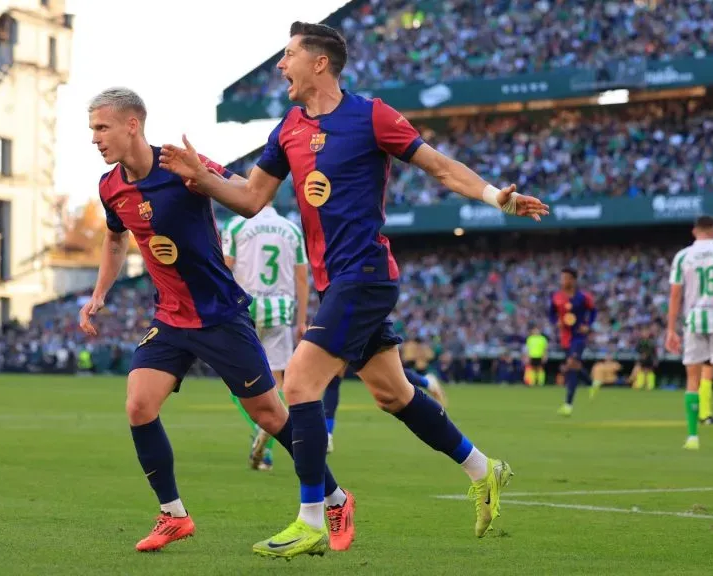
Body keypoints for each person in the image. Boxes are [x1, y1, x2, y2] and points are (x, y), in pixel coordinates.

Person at [159, 22, 548, 557]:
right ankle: (484, 469)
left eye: (289, 54)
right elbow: (250, 198)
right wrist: (200, 177)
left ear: (319, 63)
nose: (280, 65)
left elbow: (438, 167)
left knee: (297, 384)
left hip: (364, 275)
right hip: (333, 283)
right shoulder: (288, 128)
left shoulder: (372, 115)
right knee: (394, 394)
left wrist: (493, 197)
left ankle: (312, 517)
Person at [80, 87, 350, 553]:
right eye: (91, 130)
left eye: (102, 128)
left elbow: (247, 193)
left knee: (269, 415)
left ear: (132, 125)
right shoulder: (110, 187)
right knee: (139, 405)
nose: (95, 139)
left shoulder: (180, 163)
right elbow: (113, 238)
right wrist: (100, 292)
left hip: (220, 315)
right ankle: (173, 515)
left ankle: (335, 497)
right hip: (170, 317)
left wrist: (202, 176)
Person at [221, 199, 309, 471]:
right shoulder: (291, 229)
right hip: (280, 308)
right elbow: (302, 278)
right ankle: (267, 446)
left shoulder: (236, 225)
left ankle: (262, 433)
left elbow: (224, 269)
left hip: (245, 307)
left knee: (238, 380)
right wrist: (301, 320)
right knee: (277, 380)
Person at [665, 215, 713, 451]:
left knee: (693, 379)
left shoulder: (683, 256)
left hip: (694, 320)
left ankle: (692, 437)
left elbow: (675, 295)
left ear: (694, 231)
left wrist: (671, 329)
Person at [549, 267, 596, 416]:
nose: (563, 281)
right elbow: (550, 313)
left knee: (571, 364)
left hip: (578, 336)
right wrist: (555, 321)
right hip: (565, 337)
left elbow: (593, 311)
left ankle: (568, 404)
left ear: (573, 280)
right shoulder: (556, 297)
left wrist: (587, 325)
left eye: (566, 278)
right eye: (562, 278)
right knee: (573, 366)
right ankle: (590, 383)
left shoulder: (583, 297)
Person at [632, 325, 658, 390]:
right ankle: (640, 384)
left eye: (646, 332)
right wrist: (642, 353)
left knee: (650, 371)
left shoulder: (651, 341)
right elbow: (637, 349)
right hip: (642, 358)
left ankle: (650, 385)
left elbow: (654, 351)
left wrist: (655, 360)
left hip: (650, 358)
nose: (645, 334)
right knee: (641, 370)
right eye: (644, 332)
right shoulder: (640, 341)